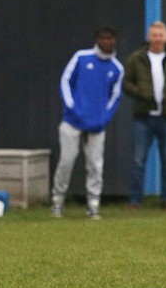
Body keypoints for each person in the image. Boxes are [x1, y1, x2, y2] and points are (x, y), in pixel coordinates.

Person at [52, 26, 125, 219]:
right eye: (102, 38)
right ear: (96, 40)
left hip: (97, 125)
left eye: (110, 39)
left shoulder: (117, 68)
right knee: (67, 160)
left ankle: (93, 204)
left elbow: (115, 97)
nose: (106, 42)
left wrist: (104, 118)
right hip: (72, 120)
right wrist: (72, 108)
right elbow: (65, 81)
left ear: (115, 41)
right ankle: (58, 200)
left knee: (95, 164)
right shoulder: (81, 57)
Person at [123, 21, 166, 210]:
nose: (157, 39)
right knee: (138, 159)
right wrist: (142, 93)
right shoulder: (137, 58)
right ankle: (135, 200)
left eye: (160, 35)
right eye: (154, 35)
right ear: (148, 37)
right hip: (143, 116)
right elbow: (126, 83)